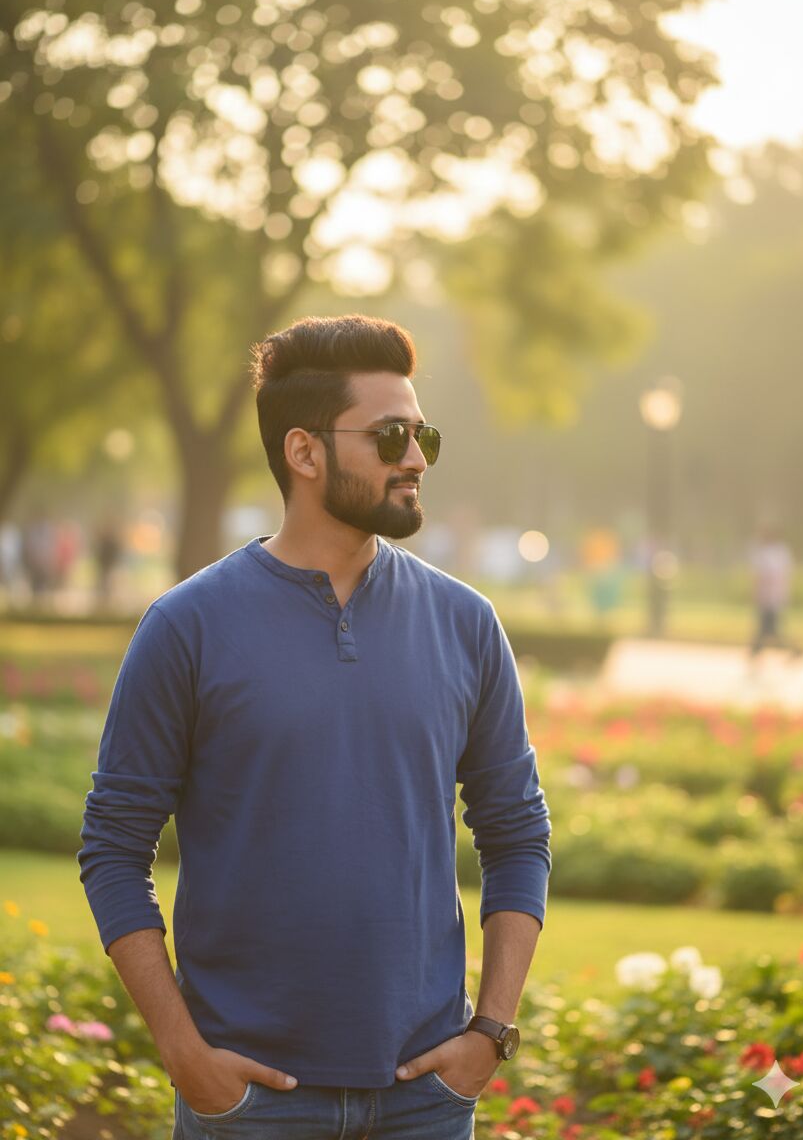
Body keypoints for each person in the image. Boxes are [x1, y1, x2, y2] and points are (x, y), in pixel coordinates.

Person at [78, 314, 552, 1140]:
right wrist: (185, 1054)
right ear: (304, 453)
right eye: (392, 435)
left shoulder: (466, 623)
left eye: (423, 434)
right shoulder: (187, 627)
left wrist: (491, 1032)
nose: (415, 459)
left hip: (424, 1100)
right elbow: (115, 847)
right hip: (249, 1103)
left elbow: (517, 835)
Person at [748, 521, 801, 659]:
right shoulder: (777, 552)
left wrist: (761, 593)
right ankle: (754, 653)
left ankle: (794, 650)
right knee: (765, 630)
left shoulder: (775, 553)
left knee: (770, 630)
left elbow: (769, 577)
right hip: (772, 597)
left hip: (771, 598)